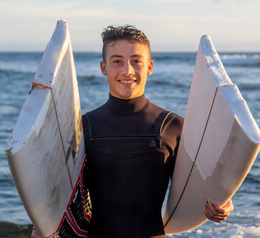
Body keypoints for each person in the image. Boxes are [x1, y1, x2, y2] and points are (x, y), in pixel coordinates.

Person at [32, 25, 234, 238]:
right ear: (103, 67)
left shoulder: (173, 126)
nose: (127, 70)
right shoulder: (83, 126)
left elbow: (200, 184)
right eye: (117, 61)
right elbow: (62, 190)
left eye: (136, 61)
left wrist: (222, 204)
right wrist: (42, 227)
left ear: (149, 67)